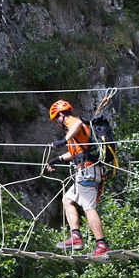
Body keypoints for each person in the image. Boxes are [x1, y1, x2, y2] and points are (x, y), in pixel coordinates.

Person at [45, 99, 110, 256]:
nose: (57, 123)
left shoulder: (73, 122)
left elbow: (79, 123)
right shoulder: (75, 134)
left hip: (87, 171)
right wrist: (57, 160)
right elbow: (76, 152)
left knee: (88, 208)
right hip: (87, 171)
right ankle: (75, 237)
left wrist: (64, 140)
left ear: (61, 115)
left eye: (56, 119)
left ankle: (101, 245)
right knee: (67, 200)